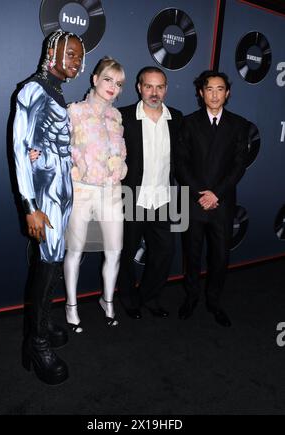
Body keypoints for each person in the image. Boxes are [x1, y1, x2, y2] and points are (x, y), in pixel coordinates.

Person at [13, 30, 85, 384]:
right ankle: (36, 343)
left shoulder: (56, 92)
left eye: (78, 56)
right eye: (69, 54)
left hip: (62, 193)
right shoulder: (33, 90)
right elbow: (20, 151)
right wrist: (30, 205)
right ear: (52, 53)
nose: (75, 61)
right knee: (47, 263)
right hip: (44, 197)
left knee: (53, 261)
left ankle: (42, 323)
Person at [176, 70, 249, 327]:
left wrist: (216, 193)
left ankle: (214, 301)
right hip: (194, 202)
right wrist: (200, 194)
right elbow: (181, 164)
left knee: (220, 256)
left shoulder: (239, 125)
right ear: (201, 92)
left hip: (222, 203)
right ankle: (192, 296)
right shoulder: (188, 123)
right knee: (192, 254)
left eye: (220, 89)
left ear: (227, 93)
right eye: (209, 89)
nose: (215, 94)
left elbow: (238, 166)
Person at [63, 57, 127, 331]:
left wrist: (121, 166)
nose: (114, 87)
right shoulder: (74, 111)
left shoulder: (117, 115)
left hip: (112, 192)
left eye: (119, 83)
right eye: (109, 80)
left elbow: (121, 151)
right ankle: (71, 305)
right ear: (95, 79)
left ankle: (108, 301)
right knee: (75, 251)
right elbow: (59, 151)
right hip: (81, 191)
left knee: (115, 250)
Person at [117, 66, 183, 319]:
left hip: (166, 199)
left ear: (165, 89)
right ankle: (128, 299)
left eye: (160, 87)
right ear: (139, 87)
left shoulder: (177, 118)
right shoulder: (122, 117)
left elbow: (183, 160)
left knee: (165, 253)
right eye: (149, 86)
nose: (154, 92)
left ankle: (149, 297)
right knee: (125, 254)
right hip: (132, 198)